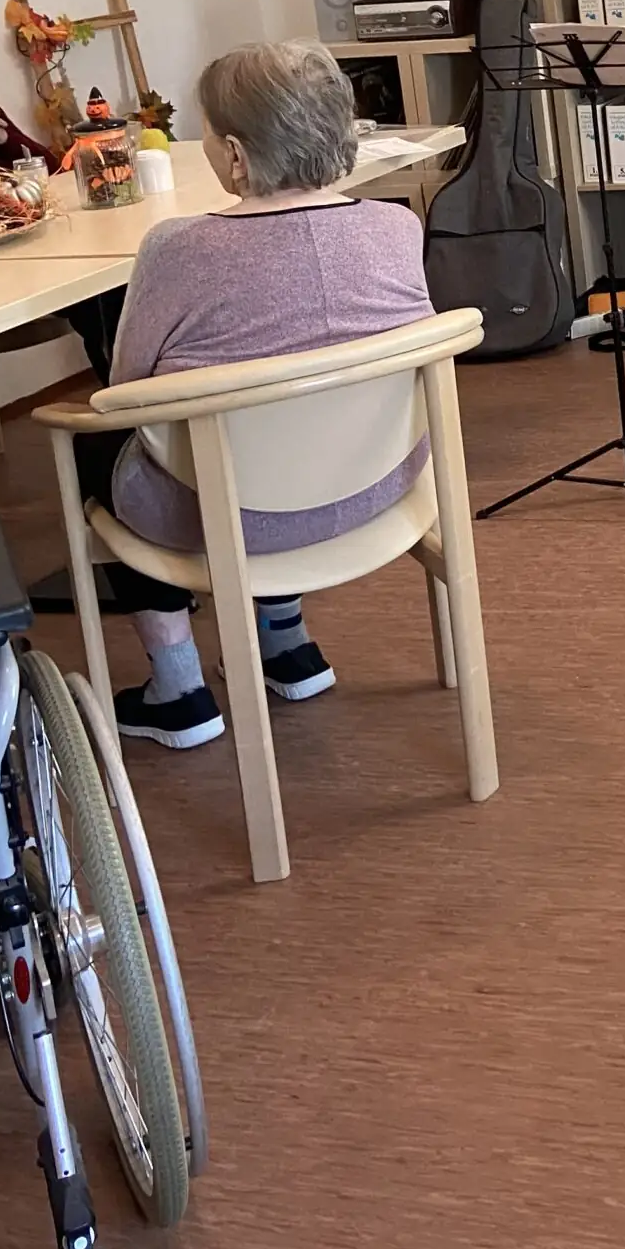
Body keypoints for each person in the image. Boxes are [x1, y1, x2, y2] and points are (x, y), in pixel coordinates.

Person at [78, 41, 434, 749]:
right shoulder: (398, 226)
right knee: (283, 424)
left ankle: (179, 690)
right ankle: (287, 645)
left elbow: (127, 391)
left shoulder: (177, 249)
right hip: (382, 486)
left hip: (230, 513)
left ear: (235, 155)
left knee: (99, 440)